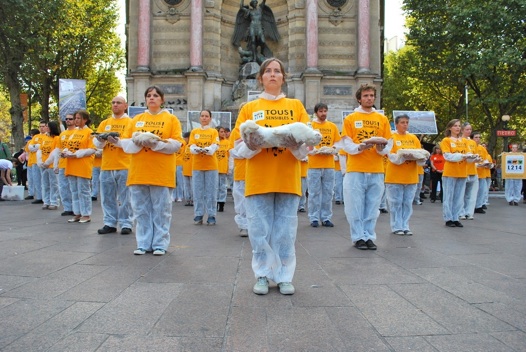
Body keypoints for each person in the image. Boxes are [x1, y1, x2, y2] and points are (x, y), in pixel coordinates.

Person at [231, 58, 312, 295]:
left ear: (283, 77)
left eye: (277, 71)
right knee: (259, 229)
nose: (273, 75)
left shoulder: (296, 106)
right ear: (261, 78)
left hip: (287, 176)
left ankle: (285, 276)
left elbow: (306, 146)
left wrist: (294, 145)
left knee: (286, 229)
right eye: (268, 71)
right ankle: (263, 275)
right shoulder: (249, 108)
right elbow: (237, 147)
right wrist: (254, 144)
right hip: (258, 177)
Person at [118, 86, 184, 255]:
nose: (152, 98)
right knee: (140, 210)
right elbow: (125, 143)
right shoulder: (136, 119)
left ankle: (160, 243)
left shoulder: (171, 119)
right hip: (138, 172)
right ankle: (143, 243)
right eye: (148, 95)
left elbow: (177, 144)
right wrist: (138, 142)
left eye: (155, 95)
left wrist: (156, 143)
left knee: (161, 210)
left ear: (162, 100)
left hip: (161, 172)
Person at [336, 84, 392, 250]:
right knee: (355, 205)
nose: (369, 98)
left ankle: (369, 236)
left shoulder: (382, 119)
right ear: (359, 98)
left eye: (372, 95)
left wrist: (381, 148)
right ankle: (358, 236)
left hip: (376, 169)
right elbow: (347, 144)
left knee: (373, 206)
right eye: (366, 95)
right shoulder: (351, 118)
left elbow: (388, 143)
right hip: (356, 169)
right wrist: (361, 146)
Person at [93, 96, 133, 235]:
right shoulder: (105, 123)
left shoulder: (131, 122)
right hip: (107, 165)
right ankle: (109, 222)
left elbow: (132, 143)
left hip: (125, 164)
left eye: (118, 103)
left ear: (125, 106)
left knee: (125, 197)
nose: (115, 105)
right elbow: (97, 144)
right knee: (107, 196)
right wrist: (100, 140)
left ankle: (126, 223)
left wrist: (118, 141)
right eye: (113, 103)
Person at [385, 114, 423, 236]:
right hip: (395, 176)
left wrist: (418, 157)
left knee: (407, 202)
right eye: (402, 122)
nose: (405, 125)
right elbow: (390, 156)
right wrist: (402, 156)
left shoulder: (414, 138)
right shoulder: (391, 137)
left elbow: (420, 155)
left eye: (406, 122)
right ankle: (396, 226)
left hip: (411, 176)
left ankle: (405, 225)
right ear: (396, 124)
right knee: (396, 202)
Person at [306, 103, 341, 228]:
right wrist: (313, 150)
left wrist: (333, 149)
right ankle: (314, 217)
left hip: (329, 164)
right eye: (321, 111)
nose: (323, 113)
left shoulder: (332, 126)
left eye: (325, 111)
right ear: (316, 113)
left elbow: (338, 142)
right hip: (314, 164)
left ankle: (326, 217)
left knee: (328, 192)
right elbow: (306, 142)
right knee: (314, 192)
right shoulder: (311, 125)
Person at [63, 110, 96, 223]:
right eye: (75, 118)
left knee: (84, 191)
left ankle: (86, 214)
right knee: (74, 190)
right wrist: (66, 152)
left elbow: (92, 149)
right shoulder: (73, 132)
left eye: (78, 118)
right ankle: (77, 212)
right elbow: (68, 145)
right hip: (71, 164)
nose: (76, 120)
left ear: (85, 119)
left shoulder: (89, 132)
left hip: (82, 165)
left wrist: (77, 154)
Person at [188, 109, 220, 225]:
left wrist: (208, 149)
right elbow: (191, 145)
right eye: (202, 116)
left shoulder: (213, 132)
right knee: (197, 191)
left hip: (211, 165)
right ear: (199, 118)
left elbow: (215, 145)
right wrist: (196, 149)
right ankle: (198, 214)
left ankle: (211, 214)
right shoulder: (194, 132)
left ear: (210, 118)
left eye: (206, 116)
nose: (204, 118)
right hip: (197, 165)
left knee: (211, 191)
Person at [440, 119, 473, 227]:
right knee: (449, 196)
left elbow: (468, 155)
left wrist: (473, 158)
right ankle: (448, 218)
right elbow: (447, 156)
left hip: (462, 172)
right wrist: (462, 156)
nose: (458, 128)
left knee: (459, 197)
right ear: (450, 128)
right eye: (455, 126)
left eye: (459, 126)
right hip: (450, 172)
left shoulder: (464, 141)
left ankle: (456, 217)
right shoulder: (446, 140)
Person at [37, 121, 61, 210]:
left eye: (47, 126)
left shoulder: (57, 138)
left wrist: (48, 162)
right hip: (43, 165)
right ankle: (46, 201)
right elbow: (40, 150)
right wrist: (40, 161)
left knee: (54, 184)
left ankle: (54, 202)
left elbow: (56, 152)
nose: (46, 128)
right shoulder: (44, 138)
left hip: (51, 165)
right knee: (45, 184)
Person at [57, 114, 77, 216]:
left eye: (70, 119)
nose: (68, 120)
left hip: (73, 164)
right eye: (67, 119)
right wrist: (56, 164)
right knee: (63, 187)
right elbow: (59, 149)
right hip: (63, 164)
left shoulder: (77, 132)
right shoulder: (63, 134)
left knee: (73, 187)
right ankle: (67, 208)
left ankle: (76, 208)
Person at [460, 122, 479, 220]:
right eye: (467, 129)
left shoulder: (472, 143)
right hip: (463, 170)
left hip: (473, 170)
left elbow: (476, 155)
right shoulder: (459, 141)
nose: (469, 131)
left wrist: (476, 158)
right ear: (462, 130)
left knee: (470, 194)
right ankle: (461, 212)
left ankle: (469, 212)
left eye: (470, 129)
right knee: (461, 194)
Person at [27, 121, 48, 204]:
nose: (42, 128)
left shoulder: (48, 136)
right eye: (40, 126)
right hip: (34, 161)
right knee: (37, 180)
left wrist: (36, 146)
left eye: (43, 126)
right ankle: (39, 197)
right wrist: (38, 146)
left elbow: (44, 146)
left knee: (45, 180)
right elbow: (30, 147)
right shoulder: (36, 136)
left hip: (44, 161)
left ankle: (46, 197)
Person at [473, 132, 491, 214]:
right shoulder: (470, 147)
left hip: (482, 173)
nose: (478, 139)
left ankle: (479, 206)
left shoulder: (482, 148)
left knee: (482, 191)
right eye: (476, 137)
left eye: (479, 137)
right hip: (473, 172)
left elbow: (486, 158)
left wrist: (487, 164)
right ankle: (471, 206)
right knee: (473, 192)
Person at [216, 126, 230, 212]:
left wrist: (229, 168)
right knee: (215, 187)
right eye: (221, 132)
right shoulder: (214, 142)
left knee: (223, 187)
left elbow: (229, 156)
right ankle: (215, 203)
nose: (223, 133)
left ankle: (221, 204)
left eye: (224, 132)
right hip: (214, 168)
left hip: (223, 168)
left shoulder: (227, 142)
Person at [181, 132, 193, 206]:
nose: (184, 139)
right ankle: (188, 199)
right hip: (185, 169)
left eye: (185, 138)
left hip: (192, 169)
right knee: (186, 185)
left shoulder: (192, 146)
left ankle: (193, 199)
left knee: (192, 186)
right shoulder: (184, 146)